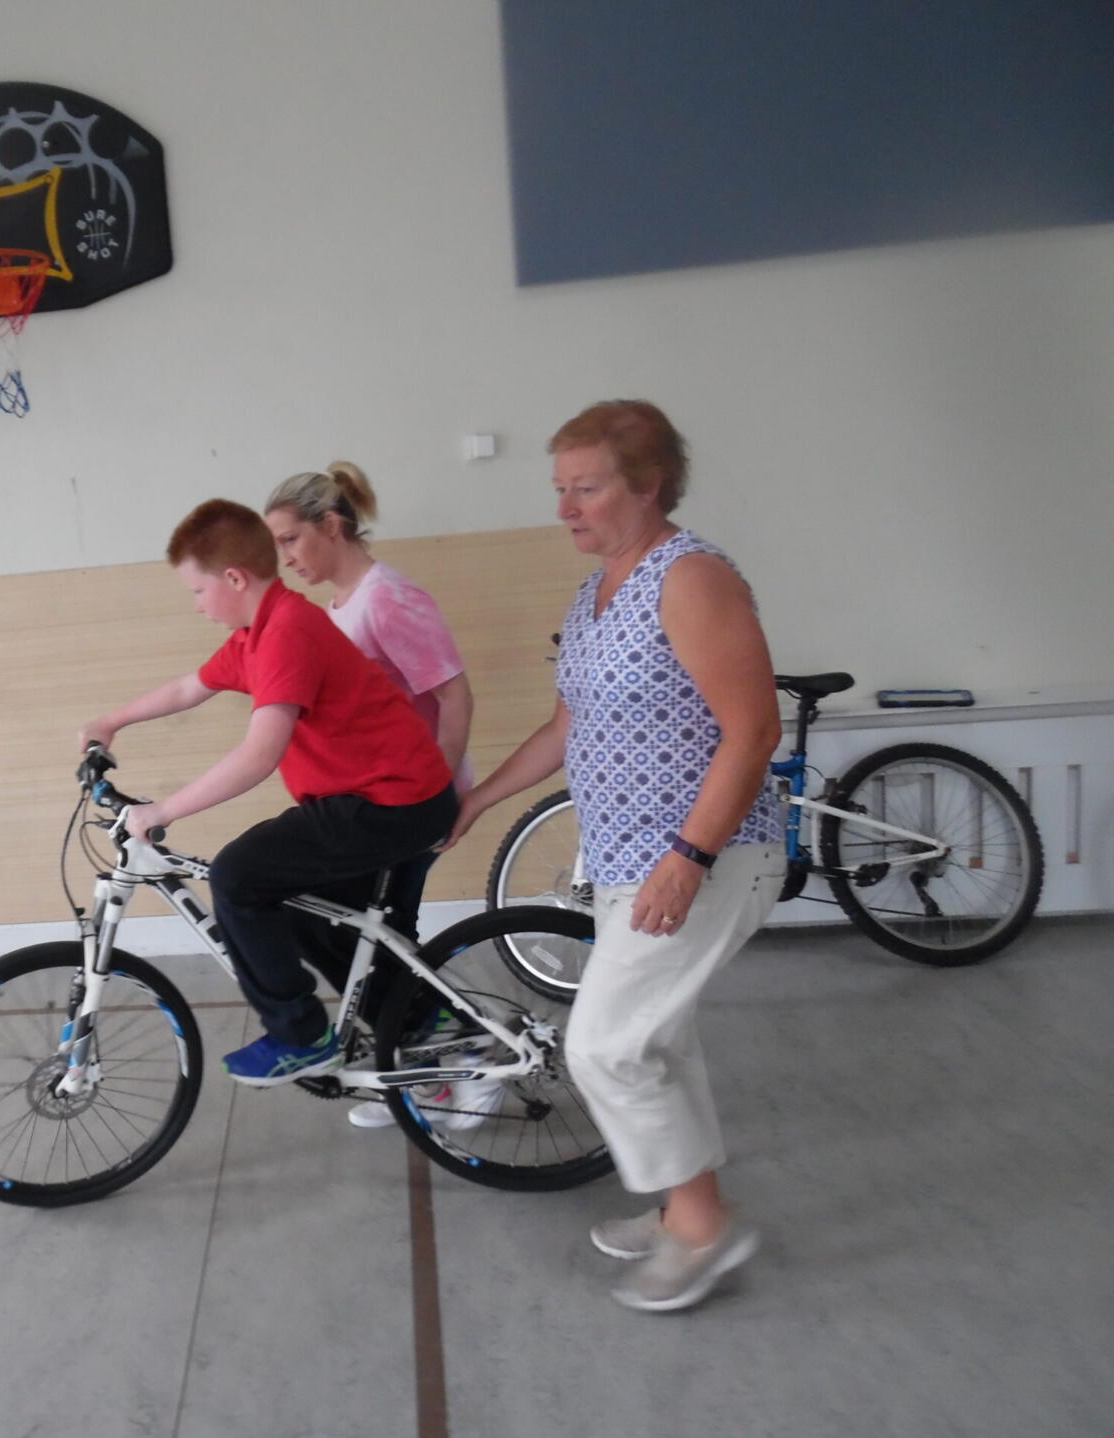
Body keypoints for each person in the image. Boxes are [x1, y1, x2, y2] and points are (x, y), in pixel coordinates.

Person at [442, 400, 784, 1312]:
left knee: (604, 1046)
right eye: (560, 489)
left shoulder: (692, 578)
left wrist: (687, 858)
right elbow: (567, 727)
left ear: (648, 485)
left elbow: (754, 730)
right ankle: (687, 1211)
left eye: (585, 488)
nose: (565, 507)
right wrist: (478, 798)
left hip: (707, 857)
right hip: (625, 858)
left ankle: (703, 1232)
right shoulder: (595, 594)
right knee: (655, 1040)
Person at [78, 499, 458, 1086]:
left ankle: (301, 1038)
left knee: (238, 876)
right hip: (383, 797)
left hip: (393, 802)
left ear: (234, 579)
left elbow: (260, 755)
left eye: (198, 591)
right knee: (306, 911)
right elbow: (189, 687)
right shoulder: (258, 633)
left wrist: (163, 810)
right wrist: (111, 721)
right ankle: (416, 1019)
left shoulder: (287, 633)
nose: (197, 604)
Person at [263, 463, 492, 1130]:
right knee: (363, 930)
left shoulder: (388, 597)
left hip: (410, 799)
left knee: (378, 932)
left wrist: (437, 794)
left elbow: (454, 696)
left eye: (291, 540)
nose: (285, 558)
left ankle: (468, 1056)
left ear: (332, 526)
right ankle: (418, 1069)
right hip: (371, 799)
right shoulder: (340, 606)